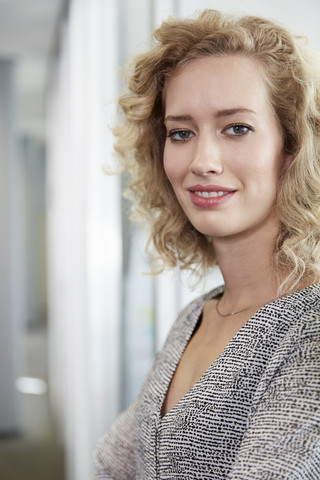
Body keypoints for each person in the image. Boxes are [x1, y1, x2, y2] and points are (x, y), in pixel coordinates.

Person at [92, 9, 320, 479]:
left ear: (292, 146)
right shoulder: (198, 315)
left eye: (236, 128)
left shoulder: (311, 329)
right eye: (181, 133)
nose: (202, 161)